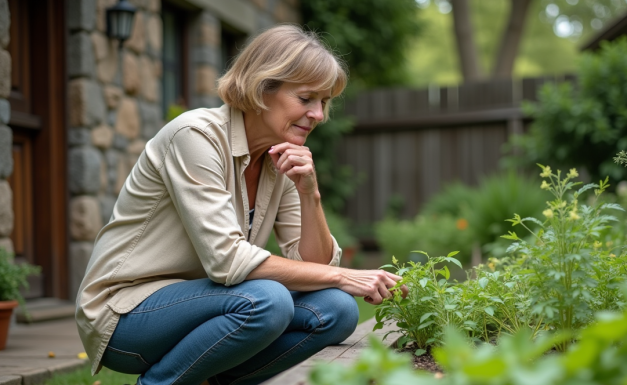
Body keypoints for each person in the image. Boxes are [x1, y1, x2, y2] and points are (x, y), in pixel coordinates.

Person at [75, 25, 406, 385]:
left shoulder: (280, 156)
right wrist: (347, 276)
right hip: (126, 315)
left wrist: (310, 194)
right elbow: (227, 260)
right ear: (263, 88)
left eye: (324, 103)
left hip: (212, 309)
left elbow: (314, 269)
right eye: (307, 98)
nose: (319, 115)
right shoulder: (196, 137)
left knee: (337, 309)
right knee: (268, 301)